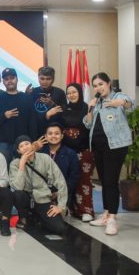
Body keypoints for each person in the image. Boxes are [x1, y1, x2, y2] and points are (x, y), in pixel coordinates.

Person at [83, 72, 134, 235]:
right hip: (98, 147)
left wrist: (120, 102)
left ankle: (112, 218)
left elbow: (130, 104)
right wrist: (89, 109)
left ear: (108, 83)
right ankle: (106, 214)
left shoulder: (117, 96)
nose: (98, 88)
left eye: (101, 84)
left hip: (115, 147)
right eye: (95, 86)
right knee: (104, 181)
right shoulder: (97, 102)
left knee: (111, 181)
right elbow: (88, 124)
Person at [9, 135, 67, 235]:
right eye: (21, 146)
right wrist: (22, 164)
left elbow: (60, 181)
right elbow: (18, 187)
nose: (25, 147)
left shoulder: (45, 158)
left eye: (27, 144)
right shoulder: (15, 164)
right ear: (18, 151)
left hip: (43, 198)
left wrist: (60, 206)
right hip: (27, 198)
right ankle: (24, 217)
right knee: (17, 194)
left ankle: (38, 217)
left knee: (59, 228)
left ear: (32, 145)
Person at [52, 83, 93, 221]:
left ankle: (86, 210)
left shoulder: (87, 108)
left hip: (83, 150)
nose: (71, 95)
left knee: (84, 180)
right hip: (66, 151)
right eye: (68, 93)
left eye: (74, 92)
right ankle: (70, 208)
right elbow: (57, 126)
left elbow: (90, 126)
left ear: (80, 92)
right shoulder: (63, 109)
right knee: (66, 179)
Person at [0, 68, 37, 166]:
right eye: (6, 79)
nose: (9, 81)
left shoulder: (27, 98)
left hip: (23, 142)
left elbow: (33, 121)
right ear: (3, 81)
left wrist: (33, 140)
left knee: (25, 168)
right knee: (3, 170)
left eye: (12, 78)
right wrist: (4, 116)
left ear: (17, 79)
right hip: (3, 143)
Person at [39, 123, 80, 213]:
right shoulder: (40, 153)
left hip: (63, 193)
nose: (53, 136)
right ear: (45, 136)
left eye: (57, 133)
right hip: (42, 193)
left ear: (62, 136)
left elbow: (74, 178)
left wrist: (59, 193)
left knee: (56, 218)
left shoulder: (71, 154)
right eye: (50, 133)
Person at [28, 66, 67, 137]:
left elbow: (64, 115)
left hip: (54, 134)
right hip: (37, 133)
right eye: (42, 78)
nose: (45, 82)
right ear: (38, 78)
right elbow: (29, 115)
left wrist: (52, 104)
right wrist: (25, 96)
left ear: (53, 79)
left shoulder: (60, 93)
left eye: (48, 79)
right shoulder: (32, 92)